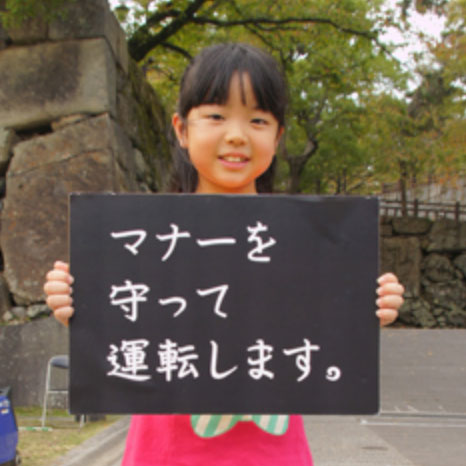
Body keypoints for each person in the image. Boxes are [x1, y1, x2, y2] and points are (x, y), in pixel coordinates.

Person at [44, 43, 404, 465]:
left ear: (277, 136)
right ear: (181, 129)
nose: (237, 134)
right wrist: (81, 308)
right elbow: (122, 339)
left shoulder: (307, 244)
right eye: (216, 116)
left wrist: (365, 306)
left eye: (257, 120)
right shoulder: (140, 240)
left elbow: (325, 335)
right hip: (166, 454)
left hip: (273, 454)